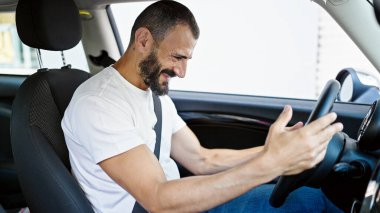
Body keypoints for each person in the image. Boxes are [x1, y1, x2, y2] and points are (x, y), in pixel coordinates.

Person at [61, 1, 344, 212]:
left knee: (313, 199)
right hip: (163, 206)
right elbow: (158, 198)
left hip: (184, 204)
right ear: (144, 40)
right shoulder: (99, 105)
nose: (182, 72)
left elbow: (202, 159)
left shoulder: (154, 95)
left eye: (187, 60)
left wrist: (278, 150)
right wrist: (272, 163)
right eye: (177, 57)